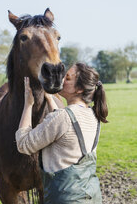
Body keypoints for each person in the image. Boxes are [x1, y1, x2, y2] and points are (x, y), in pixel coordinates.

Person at [15, 62, 108, 204]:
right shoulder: (93, 115)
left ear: (79, 89)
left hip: (65, 199)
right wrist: (50, 98)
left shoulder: (62, 118)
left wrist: (28, 105)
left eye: (68, 78)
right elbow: (64, 125)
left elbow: (23, 144)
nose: (61, 79)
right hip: (91, 196)